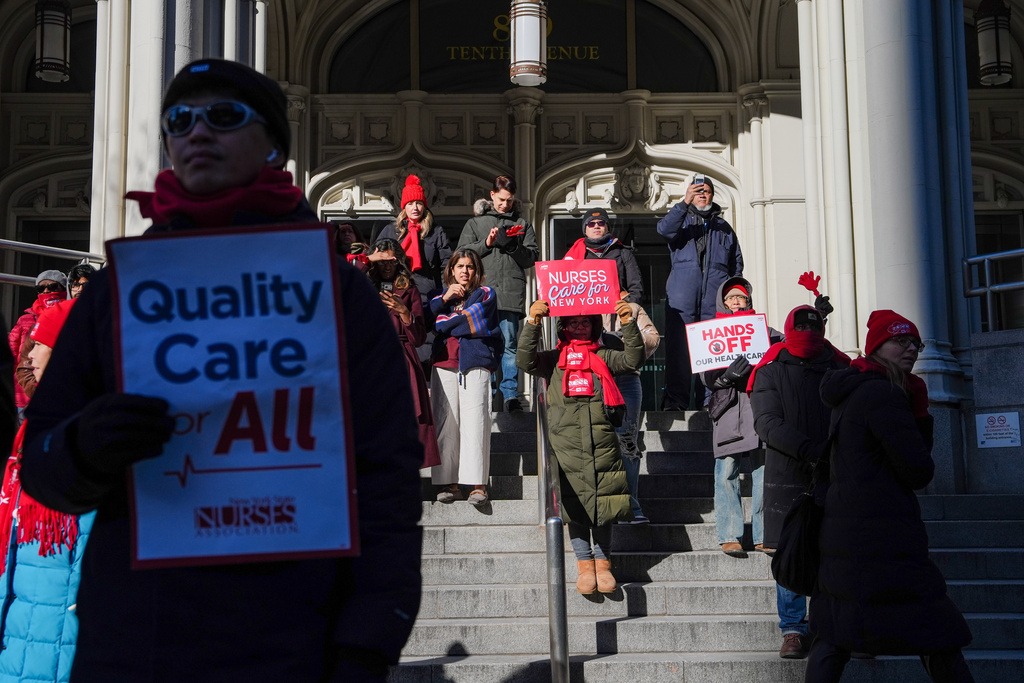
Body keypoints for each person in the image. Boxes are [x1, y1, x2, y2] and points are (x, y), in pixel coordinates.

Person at [19, 58, 423, 682]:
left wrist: (370, 636)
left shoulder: (336, 292)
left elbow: (386, 477)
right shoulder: (118, 291)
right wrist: (87, 442)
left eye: (224, 116)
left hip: (293, 636)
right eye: (179, 119)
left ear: (273, 145)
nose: (196, 131)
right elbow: (44, 462)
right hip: (137, 636)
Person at [807, 310, 974, 682]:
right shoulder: (883, 394)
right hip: (883, 536)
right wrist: (920, 411)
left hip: (848, 532)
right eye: (901, 341)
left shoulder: (854, 389)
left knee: (835, 634)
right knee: (934, 629)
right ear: (877, 346)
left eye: (916, 343)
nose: (911, 349)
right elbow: (918, 470)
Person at [517, 298, 644, 594]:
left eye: (584, 322)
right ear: (563, 328)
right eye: (573, 322)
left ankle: (603, 564)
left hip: (602, 442)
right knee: (574, 508)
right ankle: (584, 565)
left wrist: (627, 322)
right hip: (566, 445)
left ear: (594, 325)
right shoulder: (553, 360)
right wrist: (532, 323)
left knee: (604, 505)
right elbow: (525, 361)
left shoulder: (605, 355)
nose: (578, 326)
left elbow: (633, 359)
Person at [0, 298, 94, 683]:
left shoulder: (86, 446)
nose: (31, 356)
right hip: (24, 637)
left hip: (55, 650)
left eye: (41, 344)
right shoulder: (35, 434)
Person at [749, 304, 850, 659]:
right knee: (791, 552)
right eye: (802, 326)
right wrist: (811, 449)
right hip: (788, 473)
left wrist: (834, 452)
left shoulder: (841, 367)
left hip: (834, 470)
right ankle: (793, 628)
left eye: (814, 326)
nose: (808, 332)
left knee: (833, 551)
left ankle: (829, 625)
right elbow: (767, 423)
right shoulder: (770, 370)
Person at [702, 278, 781, 556]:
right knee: (726, 472)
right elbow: (705, 374)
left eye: (741, 298)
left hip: (759, 407)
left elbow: (791, 347)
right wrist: (723, 378)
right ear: (723, 302)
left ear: (749, 301)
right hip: (728, 409)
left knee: (763, 473)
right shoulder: (711, 332)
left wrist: (817, 319)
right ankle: (729, 534)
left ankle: (764, 534)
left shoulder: (766, 332)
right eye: (731, 298)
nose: (736, 301)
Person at [657, 175, 742, 410]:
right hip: (682, 296)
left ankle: (708, 401)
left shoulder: (724, 228)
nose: (702, 194)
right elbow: (663, 230)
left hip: (713, 300)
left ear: (713, 195)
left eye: (706, 191)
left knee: (712, 353)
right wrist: (684, 203)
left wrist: (732, 295)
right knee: (679, 351)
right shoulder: (681, 220)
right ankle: (675, 402)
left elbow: (737, 266)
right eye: (697, 191)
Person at [355, 238, 440, 469]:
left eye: (392, 260)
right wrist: (369, 258)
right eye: (383, 260)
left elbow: (419, 338)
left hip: (402, 358)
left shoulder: (408, 289)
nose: (387, 265)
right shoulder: (363, 285)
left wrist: (404, 313)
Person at [458, 175, 539, 412]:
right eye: (502, 199)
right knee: (486, 345)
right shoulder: (476, 223)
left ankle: (510, 395)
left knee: (510, 344)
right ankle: (489, 394)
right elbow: (461, 254)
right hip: (483, 295)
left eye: (510, 201)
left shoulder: (523, 224)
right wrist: (487, 243)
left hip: (511, 293)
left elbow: (532, 258)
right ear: (492, 195)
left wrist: (513, 246)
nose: (505, 205)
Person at [429, 248, 502, 506]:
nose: (464, 270)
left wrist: (446, 321)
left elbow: (472, 321)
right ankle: (449, 483)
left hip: (475, 363)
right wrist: (445, 300)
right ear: (451, 270)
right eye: (459, 266)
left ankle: (477, 485)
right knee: (446, 422)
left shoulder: (486, 293)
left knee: (476, 421)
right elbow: (431, 319)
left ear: (476, 271)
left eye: (470, 266)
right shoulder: (440, 296)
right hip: (444, 363)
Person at [600, 291, 660, 525]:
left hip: (626, 378)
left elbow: (653, 338)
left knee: (627, 442)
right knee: (599, 442)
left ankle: (631, 505)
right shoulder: (585, 305)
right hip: (597, 377)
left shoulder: (632, 307)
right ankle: (606, 503)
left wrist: (627, 338)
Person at [377, 175, 452, 310]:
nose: (415, 208)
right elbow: (376, 261)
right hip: (396, 296)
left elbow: (446, 265)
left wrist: (445, 295)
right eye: (410, 203)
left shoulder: (436, 232)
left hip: (428, 298)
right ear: (404, 207)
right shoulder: (390, 231)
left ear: (424, 206)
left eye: (419, 203)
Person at [9, 270, 67, 417]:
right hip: (22, 397)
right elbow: (10, 354)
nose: (46, 291)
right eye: (40, 288)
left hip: (57, 396)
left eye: (52, 287)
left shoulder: (71, 316)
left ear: (63, 289)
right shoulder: (25, 320)